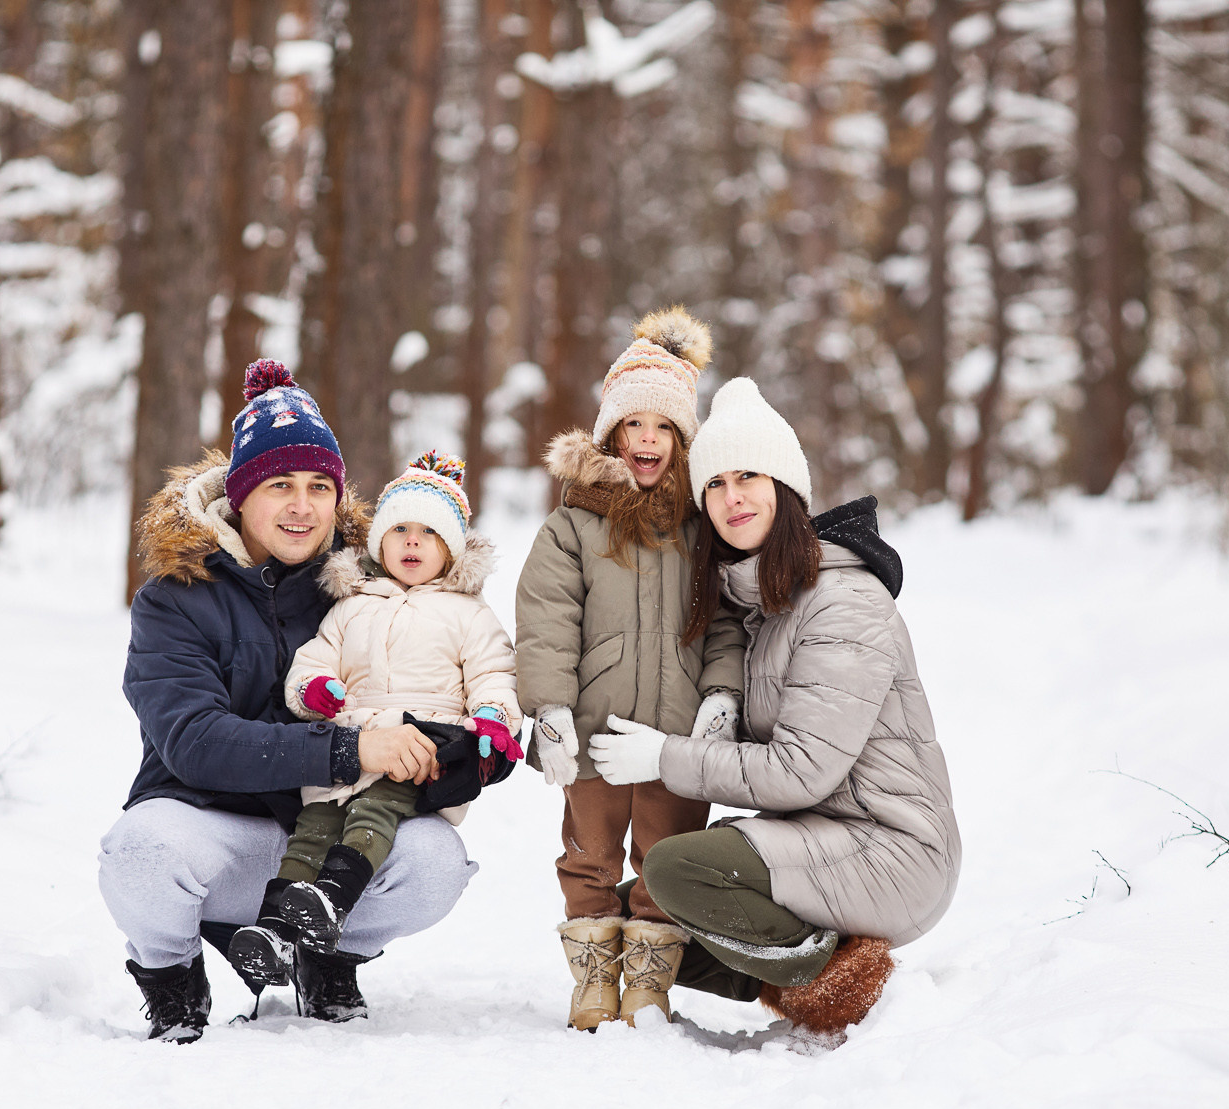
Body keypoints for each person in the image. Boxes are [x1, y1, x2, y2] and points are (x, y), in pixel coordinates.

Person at [98, 360, 475, 1041]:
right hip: (215, 837)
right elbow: (194, 740)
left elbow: (438, 690)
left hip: (328, 839)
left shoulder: (365, 591)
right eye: (280, 485)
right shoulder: (174, 600)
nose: (302, 505)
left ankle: (326, 952)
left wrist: (457, 747)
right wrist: (350, 747)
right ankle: (171, 974)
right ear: (241, 496)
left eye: (318, 486)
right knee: (140, 851)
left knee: (436, 860)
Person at [587, 377, 962, 1035]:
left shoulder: (842, 602)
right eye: (715, 484)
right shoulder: (762, 604)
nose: (732, 497)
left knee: (676, 872)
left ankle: (828, 973)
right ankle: (816, 956)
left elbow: (801, 772)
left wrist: (666, 757)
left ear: (786, 487)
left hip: (893, 849)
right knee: (636, 913)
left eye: (749, 475)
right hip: (826, 837)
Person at [515, 307, 749, 1031]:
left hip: (677, 738)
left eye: (663, 426)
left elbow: (726, 621)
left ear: (682, 440)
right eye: (633, 424)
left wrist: (720, 694)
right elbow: (547, 619)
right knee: (588, 853)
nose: (647, 439)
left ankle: (648, 978)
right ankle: (593, 977)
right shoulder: (574, 525)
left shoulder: (701, 526)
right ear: (612, 434)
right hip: (589, 732)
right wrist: (548, 708)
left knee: (664, 855)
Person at [226, 451, 522, 983]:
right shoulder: (350, 605)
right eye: (400, 529)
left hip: (420, 750)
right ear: (379, 541)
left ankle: (333, 902)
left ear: (450, 549)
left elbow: (494, 674)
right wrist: (313, 690)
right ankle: (274, 927)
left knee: (375, 815)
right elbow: (311, 662)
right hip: (347, 746)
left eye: (429, 533)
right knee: (312, 830)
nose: (412, 542)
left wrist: (493, 720)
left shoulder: (468, 613)